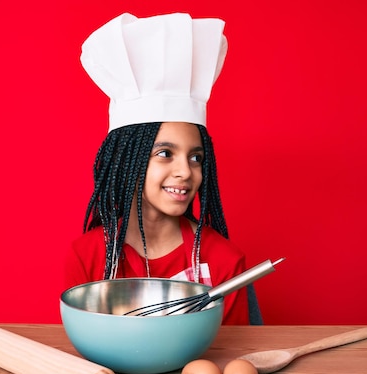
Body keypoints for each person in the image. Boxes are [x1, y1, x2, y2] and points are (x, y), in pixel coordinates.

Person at [64, 12, 263, 325]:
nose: (186, 171)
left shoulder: (224, 259)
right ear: (127, 161)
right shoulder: (87, 256)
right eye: (166, 153)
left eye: (196, 157)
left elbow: (234, 358)